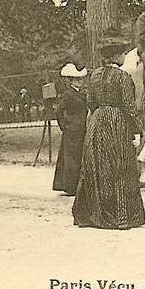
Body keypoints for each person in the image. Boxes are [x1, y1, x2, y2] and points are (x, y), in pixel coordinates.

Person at [72, 31, 145, 230]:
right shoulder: (123, 77)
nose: (124, 57)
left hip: (97, 121)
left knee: (97, 166)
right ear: (116, 56)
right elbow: (129, 107)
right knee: (119, 166)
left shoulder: (94, 76)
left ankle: (92, 214)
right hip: (116, 122)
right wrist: (137, 130)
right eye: (123, 54)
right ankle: (121, 216)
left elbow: (90, 103)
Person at [52, 63, 88, 196]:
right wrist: (64, 126)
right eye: (77, 79)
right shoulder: (68, 94)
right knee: (71, 159)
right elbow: (58, 110)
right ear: (71, 80)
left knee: (80, 157)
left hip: (82, 128)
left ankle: (79, 185)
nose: (80, 81)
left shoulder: (82, 94)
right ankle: (70, 186)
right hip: (72, 130)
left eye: (81, 79)